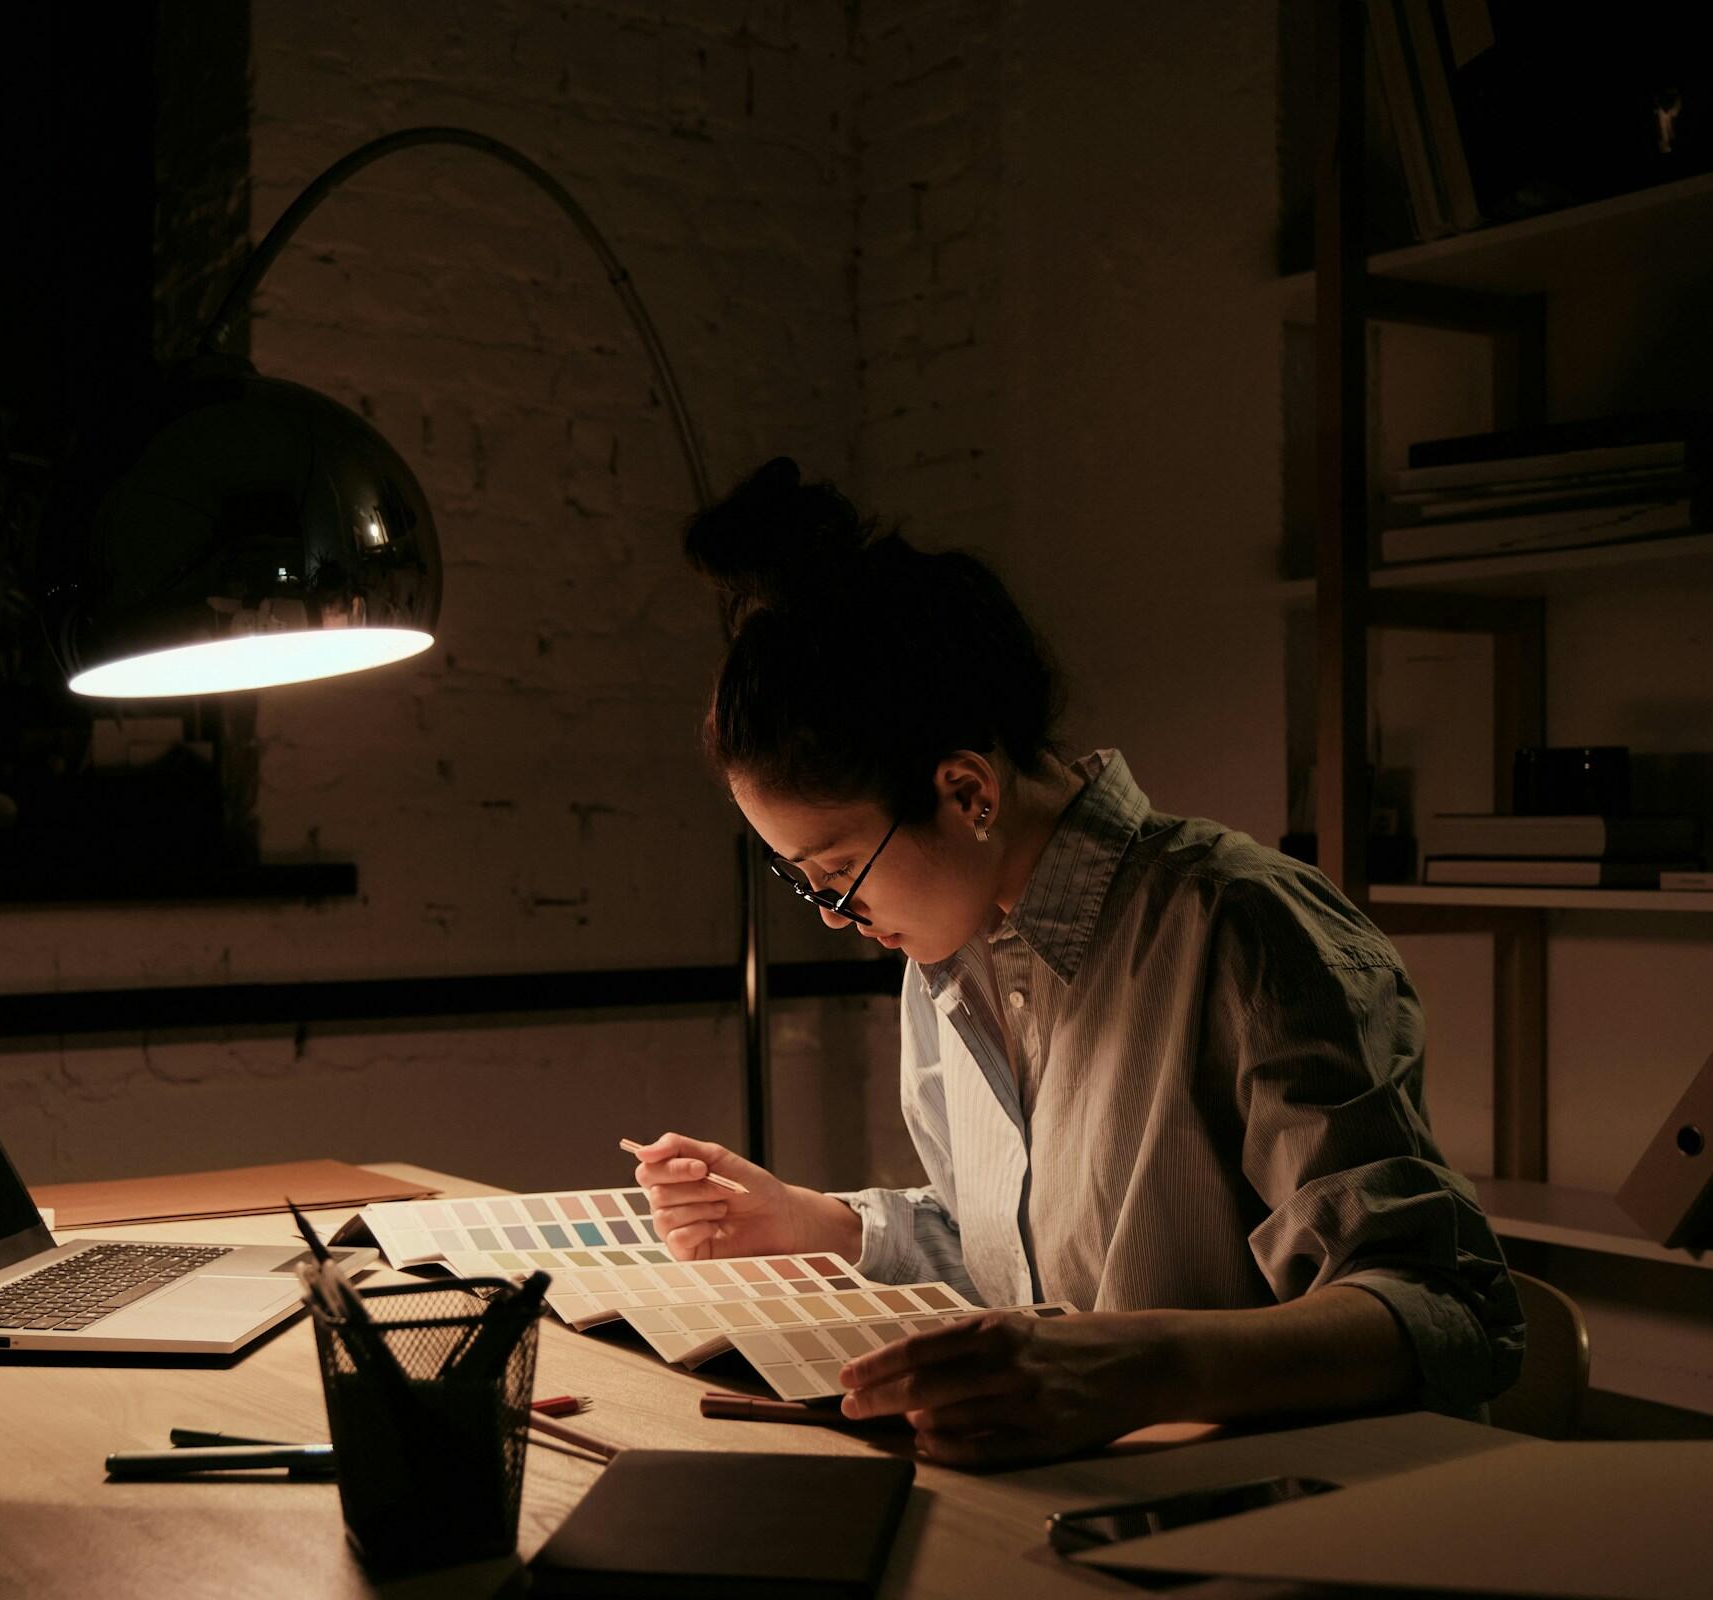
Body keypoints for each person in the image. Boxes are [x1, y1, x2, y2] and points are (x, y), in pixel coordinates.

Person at [632, 458, 1525, 1466]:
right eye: (808, 884)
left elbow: (1451, 1312)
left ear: (968, 790)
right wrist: (820, 1221)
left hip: (1289, 1514)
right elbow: (1017, 1244)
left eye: (838, 872)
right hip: (1070, 1504)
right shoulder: (950, 958)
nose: (838, 917)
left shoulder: (1241, 926)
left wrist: (1148, 1366)